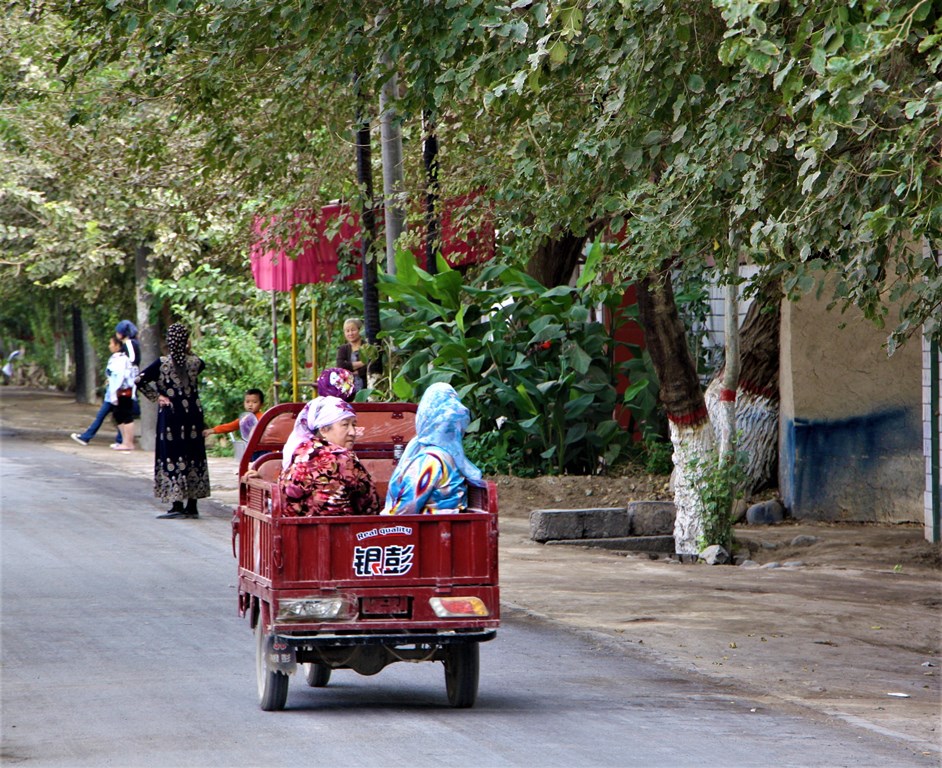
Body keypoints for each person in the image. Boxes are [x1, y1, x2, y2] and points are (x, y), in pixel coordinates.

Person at [136, 323, 211, 519]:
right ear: (186, 341)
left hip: (171, 415)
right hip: (193, 415)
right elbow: (196, 364)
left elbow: (139, 380)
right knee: (192, 453)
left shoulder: (162, 364)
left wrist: (157, 397)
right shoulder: (196, 363)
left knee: (172, 454)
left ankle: (176, 503)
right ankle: (192, 505)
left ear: (169, 342)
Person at [381, 382, 482, 515]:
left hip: (426, 530)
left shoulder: (430, 460)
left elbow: (406, 509)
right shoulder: (449, 454)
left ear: (426, 415)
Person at [278, 396, 380, 516]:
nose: (352, 432)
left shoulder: (299, 452)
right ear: (324, 429)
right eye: (345, 425)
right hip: (344, 530)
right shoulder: (342, 458)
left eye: (354, 425)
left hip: (298, 530)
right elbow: (370, 504)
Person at [70, 336, 132, 447]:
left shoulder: (120, 359)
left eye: (111, 343)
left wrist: (114, 392)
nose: (109, 346)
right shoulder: (116, 358)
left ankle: (123, 441)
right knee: (117, 416)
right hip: (113, 394)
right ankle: (120, 440)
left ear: (117, 345)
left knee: (120, 417)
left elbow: (118, 377)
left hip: (116, 394)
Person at [336, 317, 374, 392]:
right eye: (347, 331)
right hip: (347, 389)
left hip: (367, 387)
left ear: (360, 330)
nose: (350, 333)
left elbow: (371, 365)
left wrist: (355, 371)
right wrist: (362, 362)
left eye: (353, 330)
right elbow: (340, 365)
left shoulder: (367, 347)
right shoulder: (343, 348)